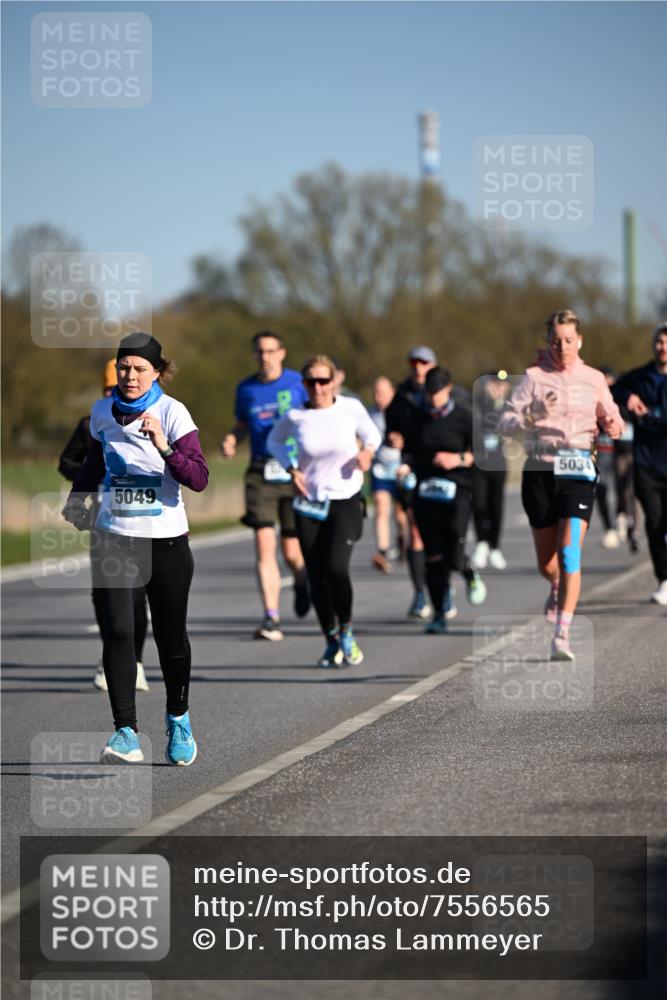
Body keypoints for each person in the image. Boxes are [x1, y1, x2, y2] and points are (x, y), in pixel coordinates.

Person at [63, 332, 208, 765]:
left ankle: (178, 718)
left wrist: (164, 446)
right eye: (123, 367)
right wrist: (79, 495)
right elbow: (94, 459)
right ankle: (125, 732)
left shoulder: (172, 411)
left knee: (169, 638)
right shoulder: (101, 411)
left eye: (140, 369)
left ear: (157, 372)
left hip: (165, 541)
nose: (130, 375)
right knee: (119, 632)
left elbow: (199, 478)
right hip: (115, 536)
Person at [499, 309, 624, 660]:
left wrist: (614, 424)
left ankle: (562, 634)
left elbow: (611, 415)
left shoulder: (594, 378)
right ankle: (555, 584)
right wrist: (530, 416)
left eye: (569, 340)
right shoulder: (534, 377)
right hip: (540, 471)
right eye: (556, 341)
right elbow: (505, 423)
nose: (562, 347)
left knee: (570, 552)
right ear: (548, 342)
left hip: (579, 469)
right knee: (548, 563)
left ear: (579, 341)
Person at [267, 354, 381, 667]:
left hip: (345, 498)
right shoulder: (295, 415)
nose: (317, 387)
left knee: (336, 569)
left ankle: (346, 630)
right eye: (311, 382)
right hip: (309, 503)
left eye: (323, 380)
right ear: (303, 385)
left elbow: (373, 435)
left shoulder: (350, 408)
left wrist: (368, 453)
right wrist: (292, 470)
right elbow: (274, 441)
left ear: (334, 381)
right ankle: (330, 640)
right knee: (317, 575)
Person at [59, 359, 149, 693]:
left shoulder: (149, 418)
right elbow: (66, 462)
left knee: (137, 595)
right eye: (111, 388)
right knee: (104, 592)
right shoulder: (91, 423)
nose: (120, 391)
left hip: (141, 517)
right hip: (102, 517)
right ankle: (109, 656)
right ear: (104, 391)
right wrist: (92, 473)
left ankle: (136, 661)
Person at [221, 331, 309, 640]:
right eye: (259, 351)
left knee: (292, 550)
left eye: (271, 351)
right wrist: (232, 439)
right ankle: (271, 616)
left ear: (282, 353)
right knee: (263, 543)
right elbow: (242, 424)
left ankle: (301, 579)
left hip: (296, 471)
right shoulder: (246, 389)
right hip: (261, 471)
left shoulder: (299, 382)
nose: (265, 357)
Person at [400, 367, 485, 634]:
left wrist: (457, 459)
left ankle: (466, 568)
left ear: (448, 389)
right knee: (433, 556)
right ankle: (439, 613)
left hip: (458, 490)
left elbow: (482, 454)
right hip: (425, 492)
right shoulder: (416, 417)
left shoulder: (464, 416)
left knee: (454, 553)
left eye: (437, 392)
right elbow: (409, 452)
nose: (433, 397)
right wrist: (405, 465)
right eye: (429, 392)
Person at [612, 321, 667, 604]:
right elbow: (611, 389)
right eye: (660, 341)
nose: (663, 347)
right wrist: (628, 397)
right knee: (655, 523)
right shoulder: (640, 376)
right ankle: (664, 579)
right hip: (646, 463)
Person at [367, 375, 409, 573]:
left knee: (400, 515)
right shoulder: (369, 414)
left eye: (383, 392)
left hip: (400, 469)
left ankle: (402, 540)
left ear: (392, 393)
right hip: (380, 469)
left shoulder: (401, 411)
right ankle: (382, 552)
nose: (379, 397)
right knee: (381, 509)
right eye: (376, 392)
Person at [471, 370, 511, 570]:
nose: (499, 389)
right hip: (478, 463)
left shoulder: (509, 407)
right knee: (478, 504)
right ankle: (482, 543)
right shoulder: (477, 404)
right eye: (495, 384)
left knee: (496, 506)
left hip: (498, 463)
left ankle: (495, 546)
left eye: (502, 385)